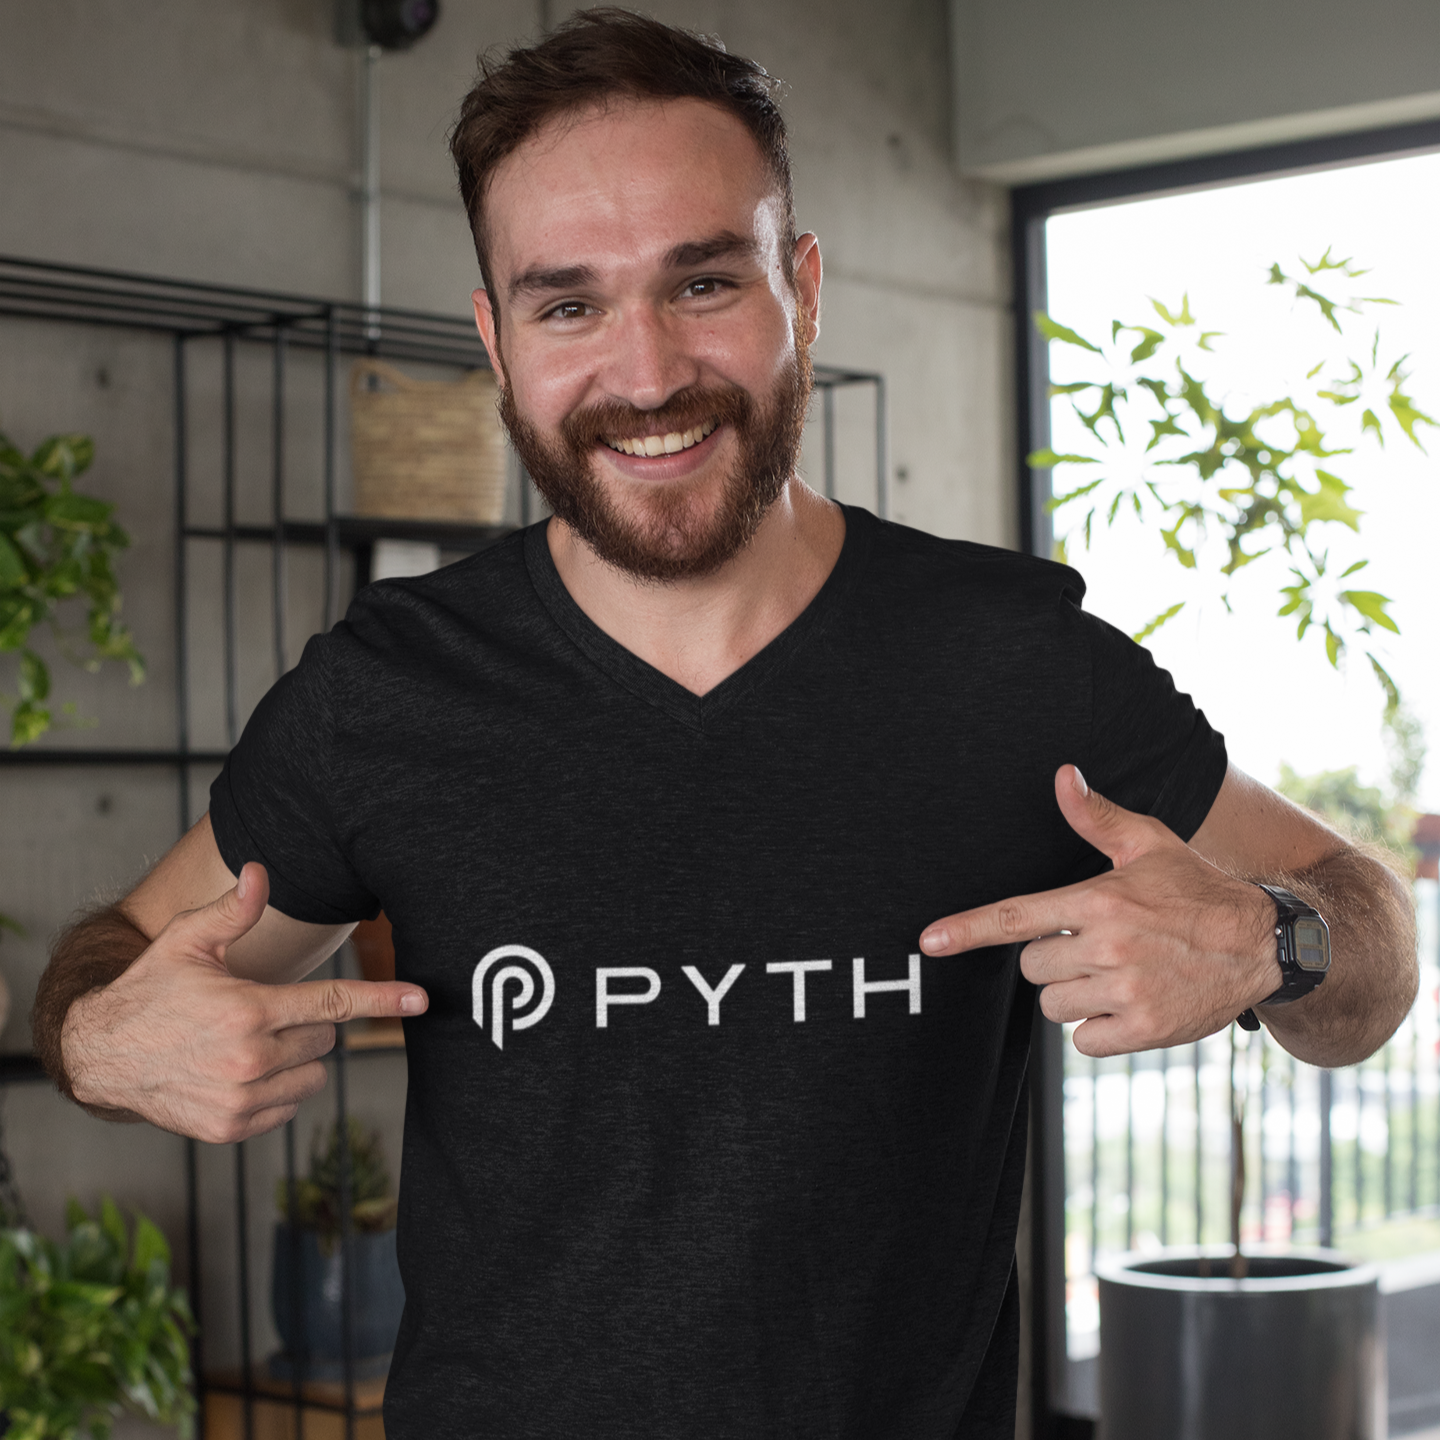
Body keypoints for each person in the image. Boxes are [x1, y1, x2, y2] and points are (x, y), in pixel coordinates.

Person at [33, 10, 1416, 1438]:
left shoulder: (1010, 662)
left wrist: (1269, 937)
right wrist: (97, 1043)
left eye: (701, 283)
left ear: (801, 290)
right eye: (568, 305)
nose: (644, 375)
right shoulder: (385, 693)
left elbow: (1372, 942)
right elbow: (116, 973)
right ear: (496, 341)